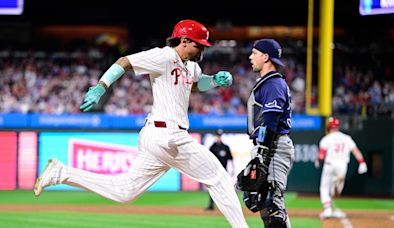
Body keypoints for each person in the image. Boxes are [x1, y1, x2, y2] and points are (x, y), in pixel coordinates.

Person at [33, 19, 249, 228]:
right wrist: (101, 86)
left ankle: (61, 173)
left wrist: (213, 81)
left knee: (124, 192)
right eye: (198, 44)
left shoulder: (190, 66)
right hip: (168, 135)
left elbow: (193, 85)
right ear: (183, 41)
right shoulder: (163, 56)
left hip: (159, 138)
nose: (202, 49)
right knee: (218, 177)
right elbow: (124, 62)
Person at [236, 39, 294, 228]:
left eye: (254, 53)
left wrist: (262, 151)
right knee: (266, 206)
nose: (251, 57)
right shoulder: (268, 83)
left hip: (274, 146)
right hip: (270, 146)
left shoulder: (273, 83)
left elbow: (270, 120)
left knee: (273, 204)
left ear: (266, 56)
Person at [315, 117, 368, 219]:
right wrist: (362, 163)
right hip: (342, 166)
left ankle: (327, 209)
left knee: (324, 188)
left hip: (329, 165)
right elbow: (355, 151)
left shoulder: (326, 138)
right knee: (336, 192)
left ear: (328, 127)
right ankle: (335, 185)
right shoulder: (346, 138)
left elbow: (321, 155)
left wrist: (318, 161)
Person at [205, 128, 233, 211]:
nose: (218, 137)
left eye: (219, 136)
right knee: (213, 188)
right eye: (217, 136)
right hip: (215, 172)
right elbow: (208, 160)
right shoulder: (212, 147)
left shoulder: (226, 147)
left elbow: (231, 159)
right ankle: (211, 205)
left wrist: (233, 169)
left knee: (225, 189)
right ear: (215, 136)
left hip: (224, 172)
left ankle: (227, 206)